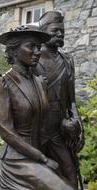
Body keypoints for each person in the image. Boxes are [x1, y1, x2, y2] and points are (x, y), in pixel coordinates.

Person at [0, 26, 74, 190]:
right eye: (31, 46)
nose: (37, 52)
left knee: (71, 177)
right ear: (14, 51)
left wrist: (67, 123)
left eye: (39, 47)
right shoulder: (1, 82)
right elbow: (6, 131)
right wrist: (43, 158)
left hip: (41, 150)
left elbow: (47, 118)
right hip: (17, 160)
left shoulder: (40, 82)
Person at [35, 11, 84, 189]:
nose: (60, 34)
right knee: (37, 176)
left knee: (70, 172)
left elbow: (71, 99)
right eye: (56, 30)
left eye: (62, 31)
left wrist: (77, 124)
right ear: (43, 31)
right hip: (35, 130)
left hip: (59, 131)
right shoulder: (33, 59)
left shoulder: (67, 60)